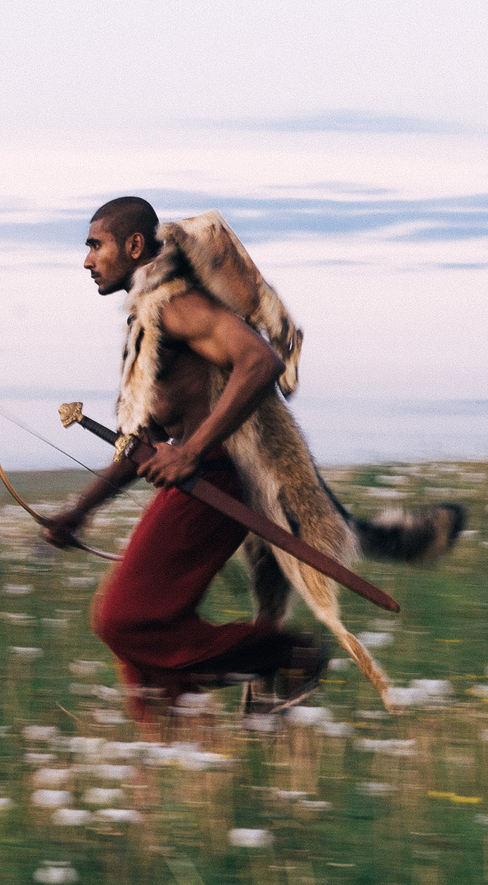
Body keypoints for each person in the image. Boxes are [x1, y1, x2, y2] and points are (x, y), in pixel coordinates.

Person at [39, 198, 374, 724]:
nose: (87, 260)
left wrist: (190, 451)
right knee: (141, 637)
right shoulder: (147, 322)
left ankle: (285, 657)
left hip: (213, 476)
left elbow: (259, 360)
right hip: (195, 476)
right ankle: (179, 760)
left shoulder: (175, 305)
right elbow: (141, 442)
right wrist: (78, 513)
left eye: (94, 245)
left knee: (123, 620)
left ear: (133, 246)